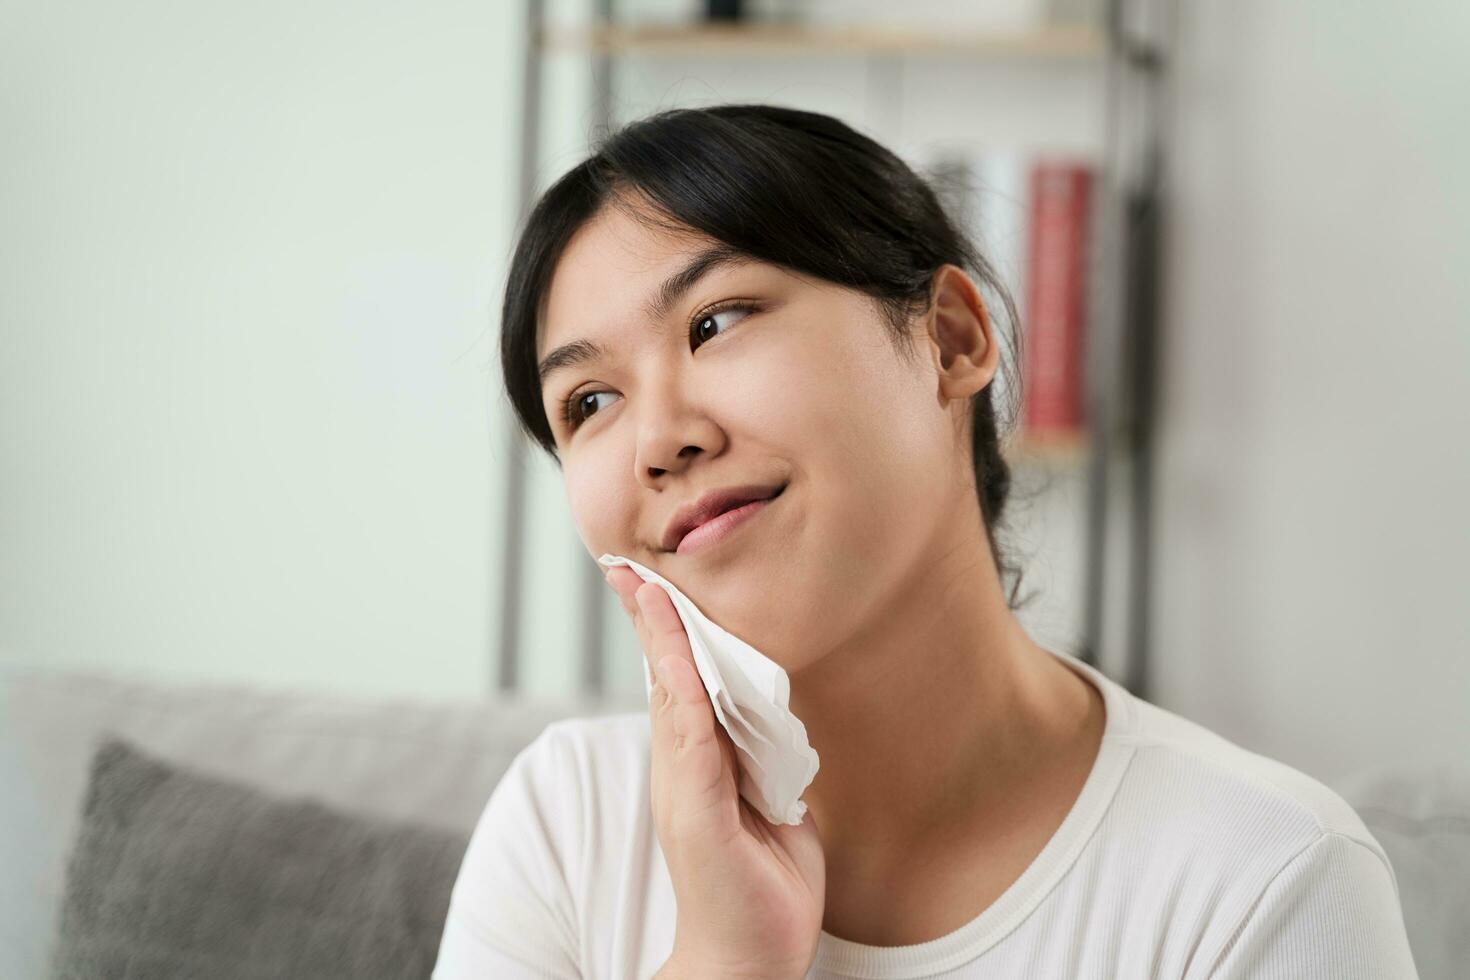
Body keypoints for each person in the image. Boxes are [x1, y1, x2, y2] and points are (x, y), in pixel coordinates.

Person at [432, 104, 1419, 979]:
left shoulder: (1268, 877)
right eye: (588, 400)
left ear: (950, 338)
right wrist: (724, 960)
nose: (659, 438)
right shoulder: (568, 823)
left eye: (716, 319)